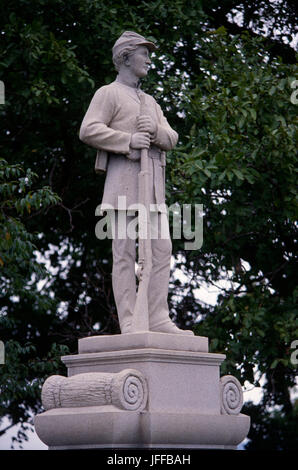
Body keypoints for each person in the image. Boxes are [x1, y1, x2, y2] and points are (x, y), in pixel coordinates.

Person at [79, 31, 193, 335]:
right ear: (126, 57)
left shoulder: (150, 102)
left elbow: (172, 138)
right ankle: (130, 320)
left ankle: (157, 317)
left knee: (161, 249)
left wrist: (155, 131)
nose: (149, 60)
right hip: (123, 187)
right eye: (145, 54)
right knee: (125, 253)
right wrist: (129, 140)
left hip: (153, 189)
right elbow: (89, 129)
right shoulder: (108, 93)